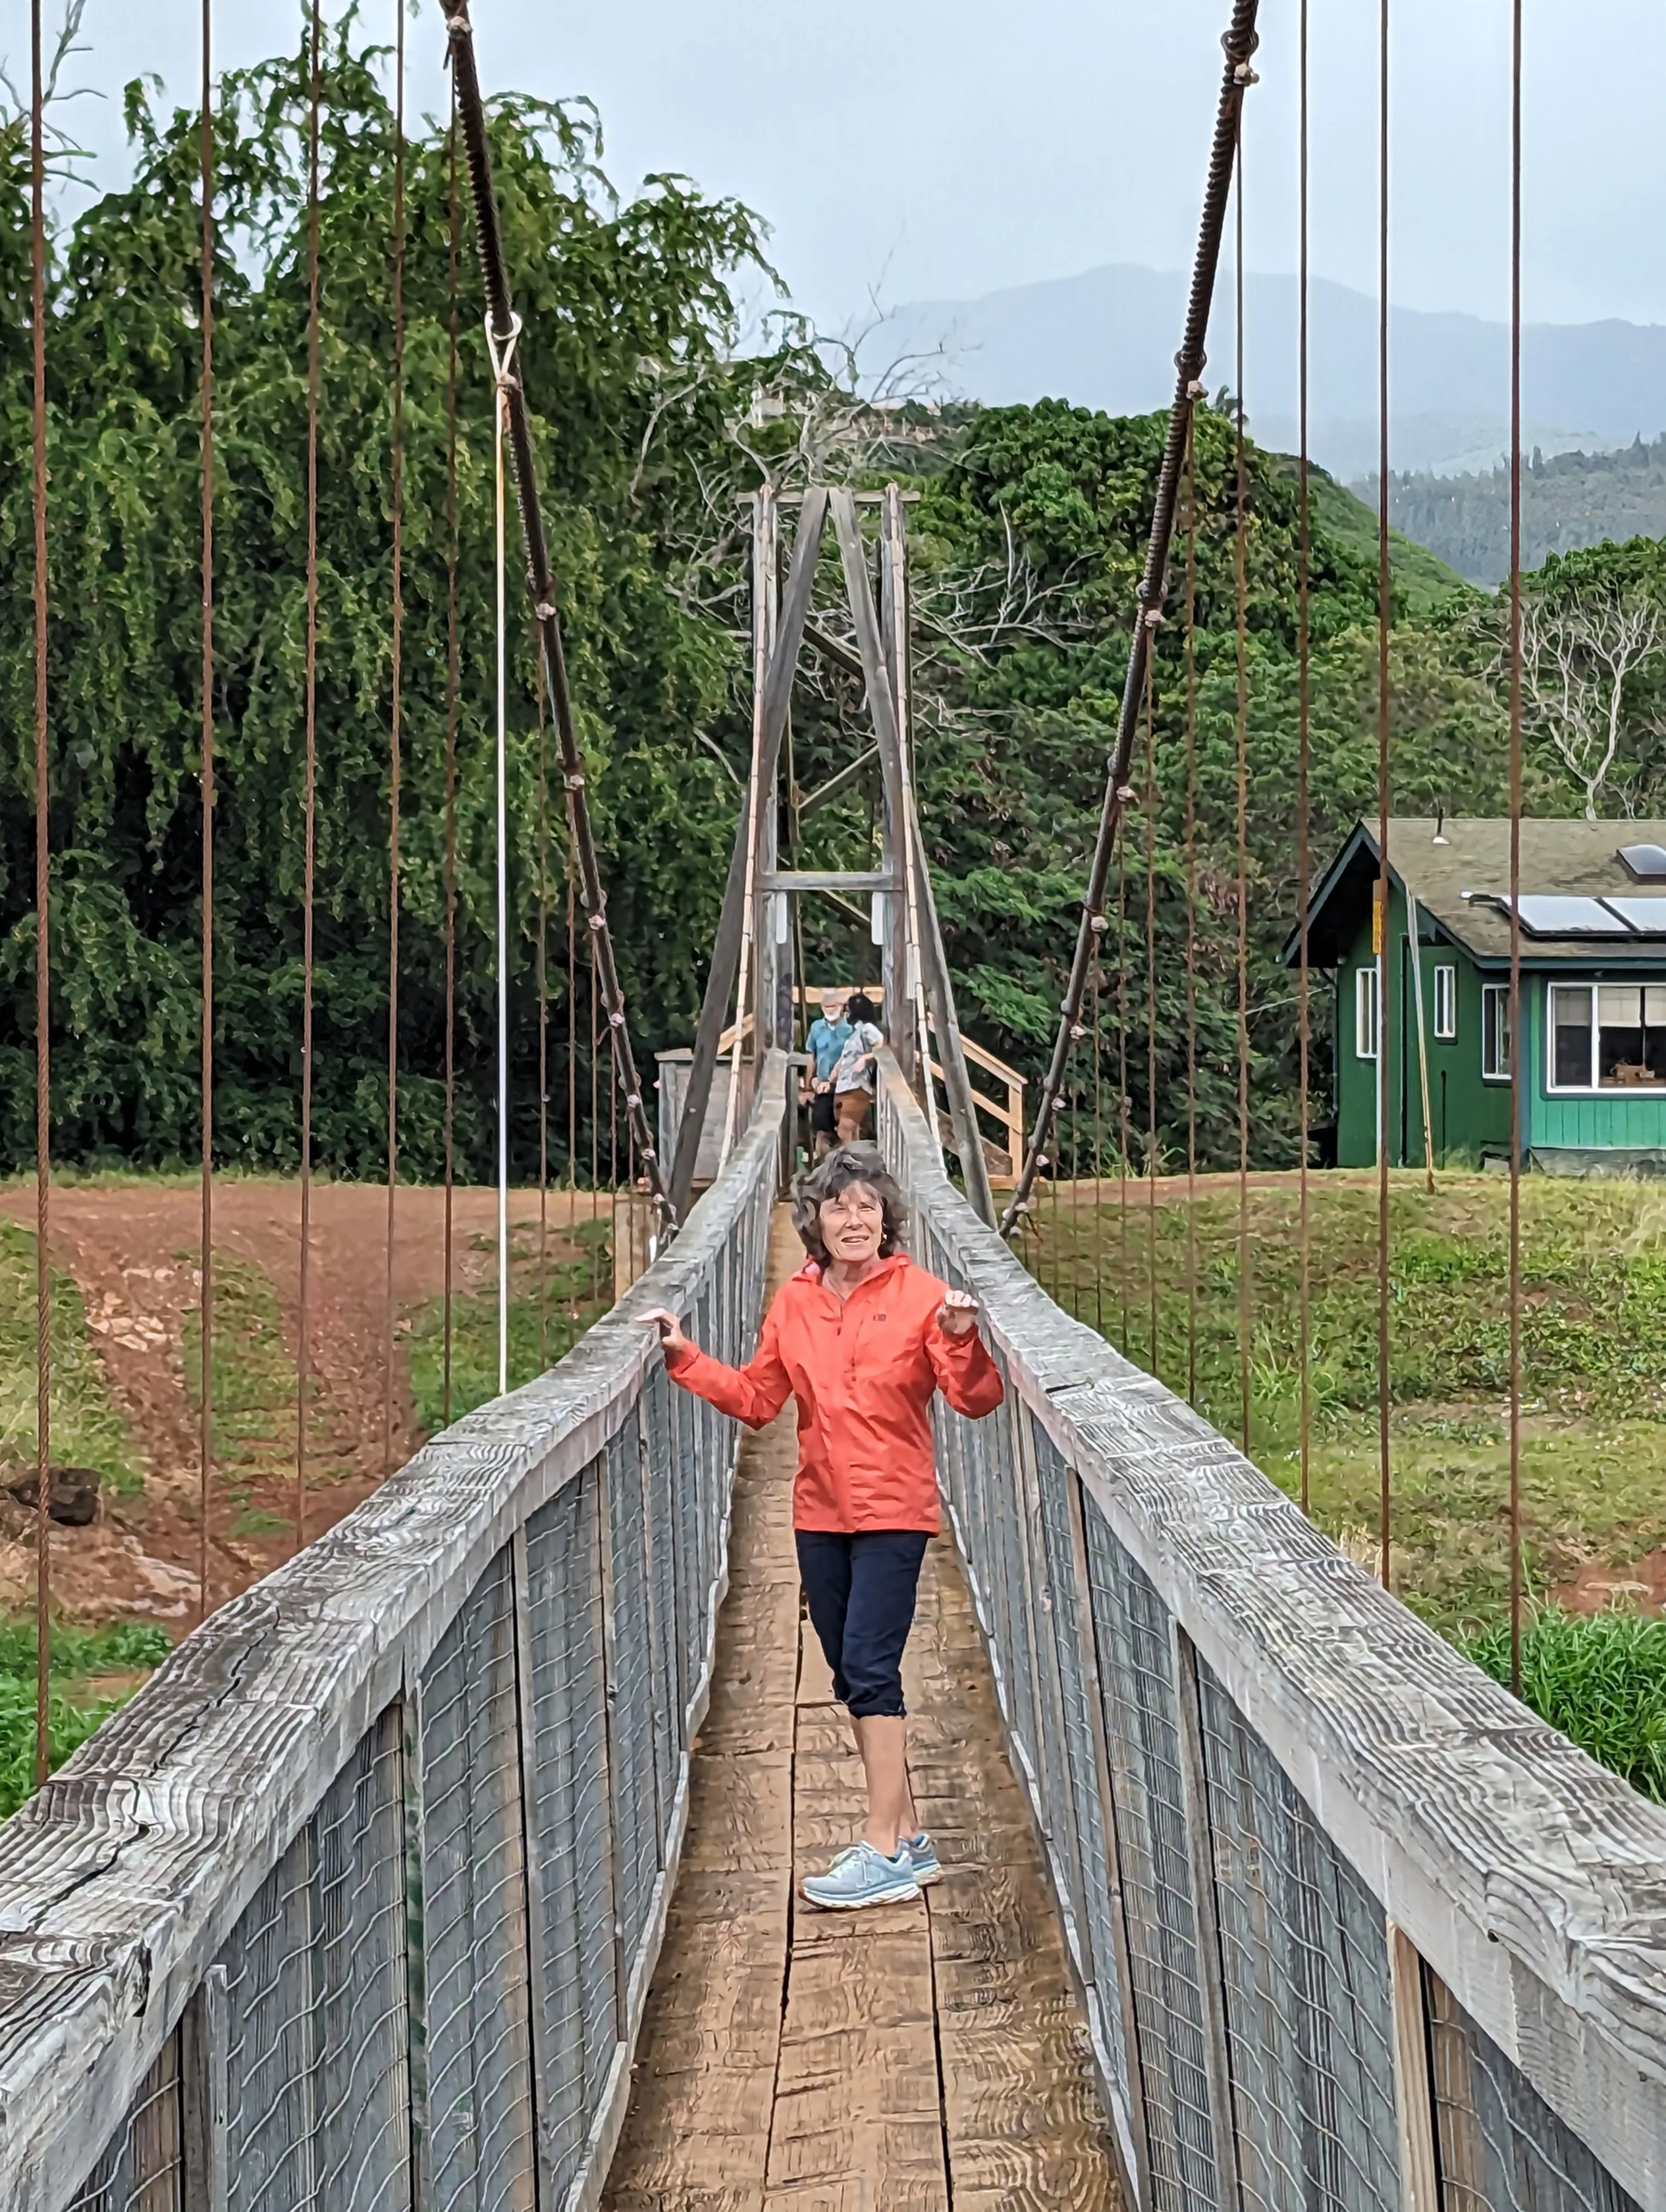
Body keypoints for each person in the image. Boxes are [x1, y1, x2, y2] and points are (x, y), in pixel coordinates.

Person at [642, 1142, 1004, 1910]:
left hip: (894, 1512)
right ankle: (909, 1838)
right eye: (839, 1207)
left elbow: (975, 1401)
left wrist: (964, 1339)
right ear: (814, 1220)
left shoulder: (922, 1296)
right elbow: (757, 1398)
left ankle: (880, 1849)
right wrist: (685, 1357)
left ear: (887, 1221)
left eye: (867, 1207)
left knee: (872, 1671)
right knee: (849, 1674)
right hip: (819, 1513)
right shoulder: (796, 1303)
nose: (853, 1220)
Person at [802, 988, 852, 1163]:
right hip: (822, 1086)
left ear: (841, 1006)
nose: (830, 1010)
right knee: (821, 1129)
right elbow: (811, 1057)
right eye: (826, 1006)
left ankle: (848, 1170)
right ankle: (822, 1169)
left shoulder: (851, 1030)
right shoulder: (816, 1028)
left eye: (834, 1006)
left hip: (846, 1086)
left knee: (847, 1129)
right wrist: (808, 1086)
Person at [832, 991, 885, 1147]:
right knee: (851, 1130)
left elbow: (881, 1043)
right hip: (847, 1084)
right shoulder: (856, 1032)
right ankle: (856, 1163)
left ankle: (851, 1164)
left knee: (845, 1130)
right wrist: (838, 1066)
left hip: (857, 1084)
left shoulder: (868, 1028)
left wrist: (865, 1058)